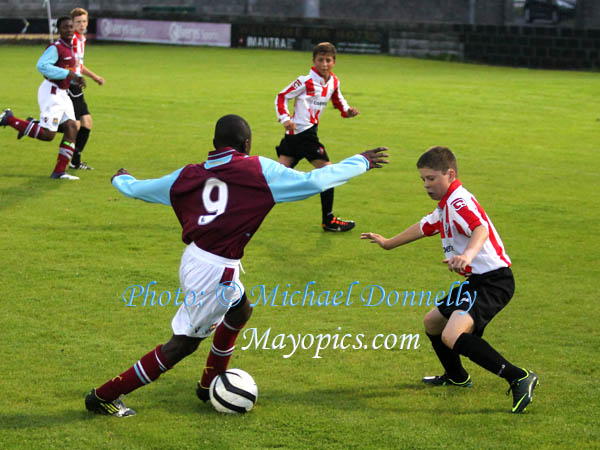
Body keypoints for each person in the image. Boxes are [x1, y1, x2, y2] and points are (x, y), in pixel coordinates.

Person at [85, 114, 388, 416]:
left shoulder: (188, 175)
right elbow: (315, 180)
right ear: (246, 143)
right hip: (215, 270)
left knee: (241, 309)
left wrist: (122, 179)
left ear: (214, 144)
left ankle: (209, 384)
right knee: (182, 345)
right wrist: (360, 161)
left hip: (196, 257)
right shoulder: (258, 169)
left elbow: (141, 190)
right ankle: (104, 396)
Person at [361, 146, 538, 414]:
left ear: (450, 174)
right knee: (432, 322)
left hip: (493, 281)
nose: (426, 184)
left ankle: (518, 377)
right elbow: (425, 226)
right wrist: (387, 243)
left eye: (431, 178)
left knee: (452, 334)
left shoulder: (458, 202)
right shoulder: (445, 205)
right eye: (423, 179)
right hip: (476, 281)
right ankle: (457, 376)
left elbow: (480, 228)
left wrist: (466, 255)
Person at [275, 42, 360, 232]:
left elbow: (339, 101)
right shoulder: (305, 81)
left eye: (328, 60)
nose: (324, 64)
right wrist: (285, 119)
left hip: (297, 136)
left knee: (274, 178)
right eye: (320, 60)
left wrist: (348, 111)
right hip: (303, 134)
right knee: (329, 174)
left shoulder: (333, 82)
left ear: (334, 62)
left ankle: (241, 206)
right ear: (313, 61)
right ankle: (329, 220)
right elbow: (281, 96)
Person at [0, 16, 86, 180]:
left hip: (63, 92)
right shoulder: (56, 47)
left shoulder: (71, 47)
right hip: (51, 92)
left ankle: (59, 172)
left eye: (70, 27)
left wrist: (77, 77)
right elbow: (42, 66)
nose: (69, 30)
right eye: (65, 27)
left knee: (72, 127)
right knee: (48, 135)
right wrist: (67, 73)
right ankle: (9, 119)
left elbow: (69, 68)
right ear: (58, 30)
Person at [68, 7, 105, 171]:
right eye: (78, 22)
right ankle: (35, 125)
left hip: (78, 84)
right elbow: (66, 62)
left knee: (87, 123)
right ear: (72, 23)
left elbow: (79, 65)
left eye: (84, 21)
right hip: (70, 84)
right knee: (73, 126)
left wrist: (95, 77)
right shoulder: (71, 40)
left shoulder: (81, 39)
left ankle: (75, 160)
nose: (82, 24)